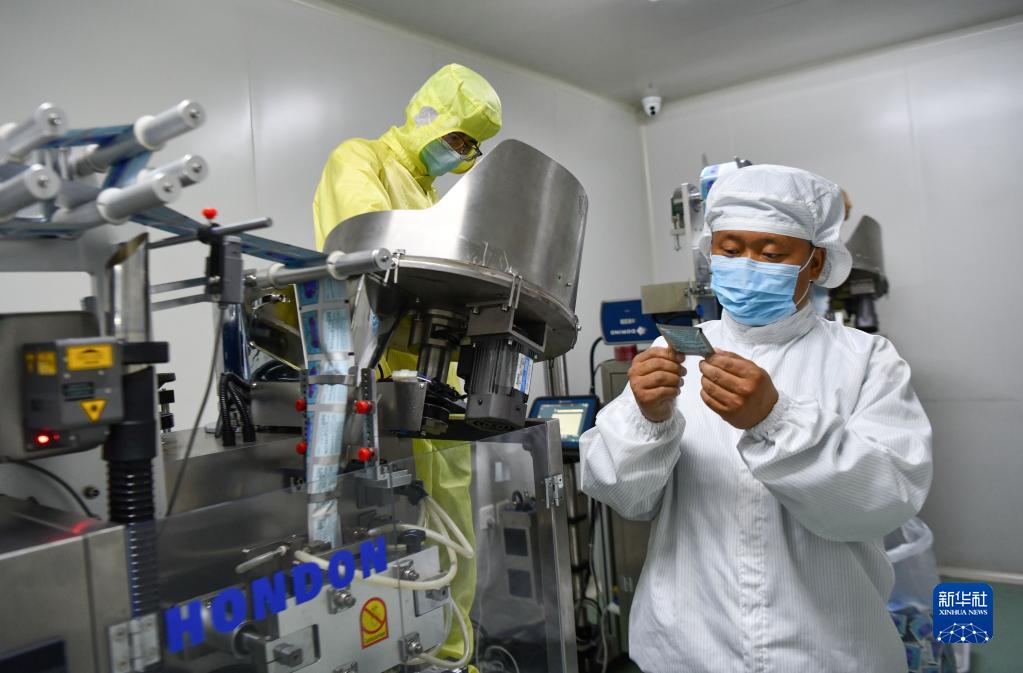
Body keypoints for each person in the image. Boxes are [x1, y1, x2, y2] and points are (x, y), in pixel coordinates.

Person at [580, 164, 932, 672]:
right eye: (729, 249)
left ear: (814, 262)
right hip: (686, 647)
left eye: (770, 254)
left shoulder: (865, 360)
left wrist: (776, 419)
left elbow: (886, 500)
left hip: (826, 651)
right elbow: (624, 496)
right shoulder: (671, 352)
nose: (746, 265)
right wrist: (648, 419)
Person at [312, 63, 502, 664]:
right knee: (388, 542)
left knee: (453, 533)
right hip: (374, 385)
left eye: (472, 146)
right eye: (458, 137)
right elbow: (375, 249)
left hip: (430, 383)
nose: (462, 153)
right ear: (429, 117)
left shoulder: (429, 196)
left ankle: (450, 654)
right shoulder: (358, 159)